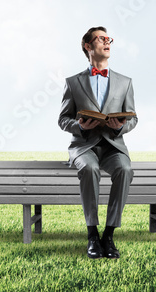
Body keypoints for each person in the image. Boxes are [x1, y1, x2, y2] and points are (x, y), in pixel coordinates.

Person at [58, 26, 137, 259]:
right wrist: (80, 126)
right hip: (84, 145)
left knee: (125, 168)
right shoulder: (73, 82)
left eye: (108, 38)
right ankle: (92, 234)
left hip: (113, 145)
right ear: (88, 46)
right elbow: (63, 119)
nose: (107, 42)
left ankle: (109, 235)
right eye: (101, 39)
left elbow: (134, 117)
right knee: (90, 168)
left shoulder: (125, 82)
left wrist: (121, 126)